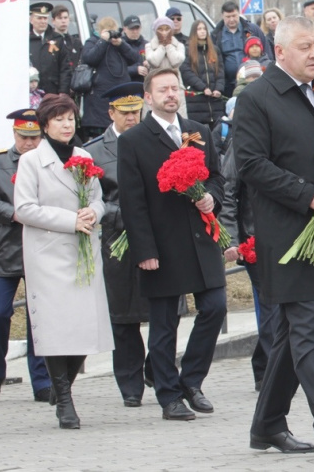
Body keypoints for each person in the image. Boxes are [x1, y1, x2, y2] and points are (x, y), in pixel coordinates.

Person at [235, 15, 314, 461]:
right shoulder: (256, 98)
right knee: (308, 330)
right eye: (305, 47)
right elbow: (251, 164)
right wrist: (308, 195)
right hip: (287, 236)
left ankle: (267, 425)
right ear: (280, 52)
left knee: (295, 332)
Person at [117, 68, 227, 421]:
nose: (170, 94)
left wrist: (211, 198)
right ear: (148, 97)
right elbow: (132, 203)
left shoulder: (200, 131)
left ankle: (191, 380)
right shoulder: (134, 140)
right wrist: (145, 251)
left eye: (175, 88)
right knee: (165, 324)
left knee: (215, 307)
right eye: (162, 89)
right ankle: (168, 395)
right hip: (163, 245)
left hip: (201, 238)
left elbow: (216, 178)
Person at [13, 94, 113, 429]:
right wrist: (69, 220)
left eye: (70, 118)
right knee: (58, 328)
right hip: (49, 253)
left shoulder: (84, 156)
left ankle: (64, 386)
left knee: (86, 325)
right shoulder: (31, 161)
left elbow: (100, 200)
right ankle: (65, 402)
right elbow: (24, 209)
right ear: (45, 124)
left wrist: (92, 212)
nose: (66, 124)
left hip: (83, 249)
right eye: (59, 119)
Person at [84, 83, 154, 407]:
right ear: (111, 113)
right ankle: (129, 382)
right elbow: (88, 200)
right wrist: (124, 216)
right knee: (123, 316)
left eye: (135, 112)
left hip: (155, 236)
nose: (131, 118)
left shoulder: (154, 141)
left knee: (161, 310)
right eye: (124, 113)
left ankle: (157, 367)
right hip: (116, 241)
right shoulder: (94, 151)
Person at [0, 110, 51, 402]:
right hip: (6, 248)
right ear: (14, 135)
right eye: (25, 138)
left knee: (39, 317)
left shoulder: (50, 161)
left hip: (42, 248)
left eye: (35, 138)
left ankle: (42, 381)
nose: (30, 144)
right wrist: (15, 214)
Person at [218, 119, 279, 393]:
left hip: (286, 234)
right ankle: (267, 370)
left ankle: (269, 365)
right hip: (255, 237)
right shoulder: (241, 142)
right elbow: (228, 191)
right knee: (270, 307)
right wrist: (230, 238)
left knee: (282, 308)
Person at [79, 16, 138, 141]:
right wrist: (103, 41)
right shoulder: (93, 41)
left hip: (121, 96)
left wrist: (121, 44)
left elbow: (134, 58)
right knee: (101, 137)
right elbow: (89, 58)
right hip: (99, 99)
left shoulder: (119, 44)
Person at [211, 1, 270, 97]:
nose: (231, 19)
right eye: (228, 17)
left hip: (253, 79)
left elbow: (266, 51)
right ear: (222, 16)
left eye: (234, 16)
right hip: (228, 84)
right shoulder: (216, 34)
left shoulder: (252, 29)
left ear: (239, 13)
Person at [180, 20, 226, 127]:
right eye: (199, 29)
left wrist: (218, 89)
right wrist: (203, 87)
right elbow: (186, 71)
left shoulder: (215, 50)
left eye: (204, 29)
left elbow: (220, 71)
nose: (202, 32)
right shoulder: (187, 50)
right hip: (197, 101)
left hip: (214, 101)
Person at [28, 2, 71, 96]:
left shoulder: (57, 39)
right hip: (31, 94)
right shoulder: (25, 40)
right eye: (39, 18)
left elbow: (65, 67)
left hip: (52, 93)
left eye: (45, 18)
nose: (43, 21)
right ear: (31, 20)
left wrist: (63, 91)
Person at [122, 15, 149, 84]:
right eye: (132, 29)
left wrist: (150, 65)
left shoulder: (147, 45)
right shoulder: (119, 46)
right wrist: (135, 70)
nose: (135, 31)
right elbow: (116, 70)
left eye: (137, 28)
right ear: (124, 29)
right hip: (127, 85)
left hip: (146, 85)